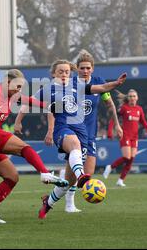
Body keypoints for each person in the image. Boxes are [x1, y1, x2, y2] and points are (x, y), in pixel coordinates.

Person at [15, 60, 126, 219]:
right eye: (60, 71)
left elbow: (101, 88)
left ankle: (49, 202)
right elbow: (26, 103)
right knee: (74, 146)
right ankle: (81, 175)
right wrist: (18, 122)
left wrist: (117, 83)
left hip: (82, 132)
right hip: (62, 128)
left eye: (67, 72)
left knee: (68, 181)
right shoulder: (48, 89)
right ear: (54, 74)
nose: (64, 74)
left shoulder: (77, 86)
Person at [0, 69, 69, 224]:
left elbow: (31, 101)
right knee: (25, 148)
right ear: (7, 82)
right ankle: (45, 173)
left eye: (20, 87)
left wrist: (50, 106)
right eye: (17, 86)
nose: (19, 90)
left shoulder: (12, 95)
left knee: (12, 177)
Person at [103, 89, 147, 187]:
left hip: (134, 137)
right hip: (125, 135)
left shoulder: (139, 109)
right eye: (130, 96)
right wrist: (110, 131)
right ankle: (110, 167)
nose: (132, 98)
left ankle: (120, 180)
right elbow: (113, 118)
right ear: (128, 98)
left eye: (134, 96)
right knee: (126, 157)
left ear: (137, 98)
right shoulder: (124, 108)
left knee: (131, 159)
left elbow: (142, 121)